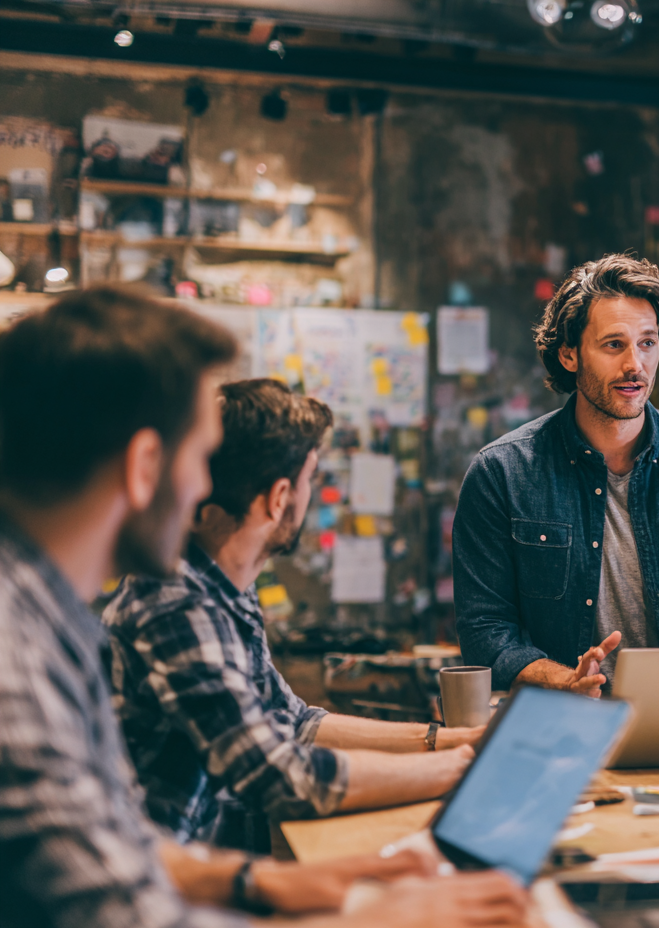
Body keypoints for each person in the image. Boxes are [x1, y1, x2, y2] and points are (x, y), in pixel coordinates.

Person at [0, 286, 526, 927]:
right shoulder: (17, 656)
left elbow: (126, 848)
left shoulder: (53, 620)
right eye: (198, 455)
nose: (203, 485)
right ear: (144, 466)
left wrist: (289, 884)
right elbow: (119, 915)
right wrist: (378, 919)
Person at [104, 378, 483, 852]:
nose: (311, 492)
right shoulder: (177, 604)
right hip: (159, 887)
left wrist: (446, 740)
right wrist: (453, 768)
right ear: (279, 496)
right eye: (311, 479)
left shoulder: (224, 590)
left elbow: (296, 723)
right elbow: (281, 777)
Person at [453, 253, 659, 695]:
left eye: (647, 343)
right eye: (614, 344)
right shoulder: (501, 473)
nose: (635, 365)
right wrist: (567, 680)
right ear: (569, 354)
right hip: (557, 724)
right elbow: (485, 632)